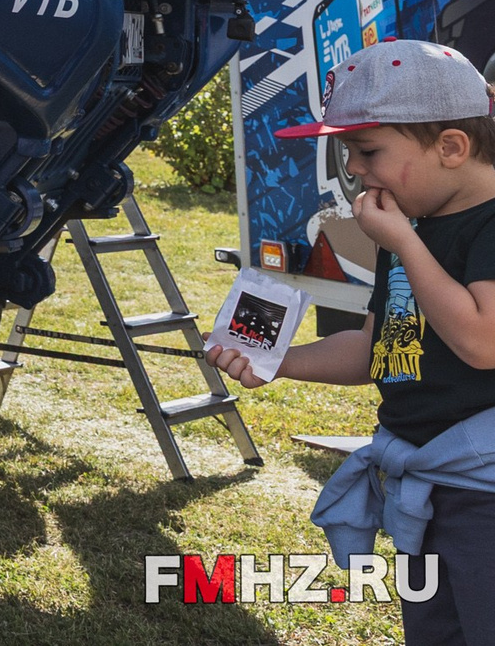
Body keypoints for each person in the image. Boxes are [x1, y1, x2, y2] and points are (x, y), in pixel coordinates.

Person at [207, 39, 495, 644]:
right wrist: (279, 362)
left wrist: (404, 244)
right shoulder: (407, 226)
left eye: (367, 151)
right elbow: (377, 348)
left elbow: (482, 342)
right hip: (429, 486)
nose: (356, 169)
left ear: (451, 147)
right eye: (347, 153)